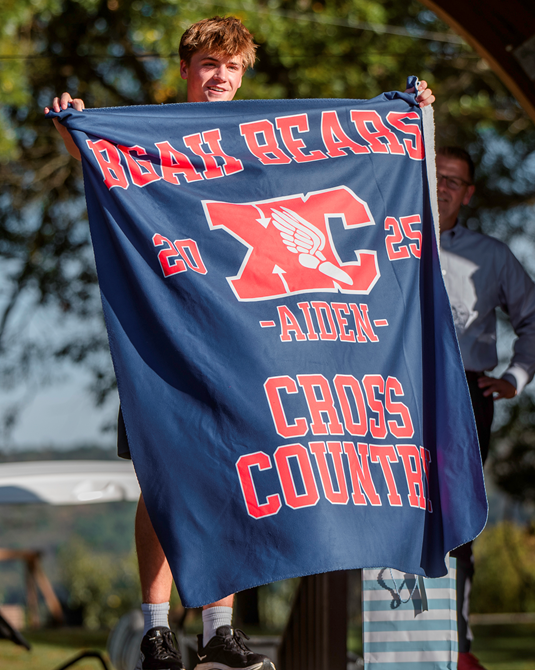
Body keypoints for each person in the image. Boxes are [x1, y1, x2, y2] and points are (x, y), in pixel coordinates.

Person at [45, 15, 434, 670]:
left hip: (246, 341)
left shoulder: (268, 134)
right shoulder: (149, 135)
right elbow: (96, 160)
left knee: (229, 474)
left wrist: (404, 116)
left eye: (230, 66)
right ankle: (156, 626)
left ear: (242, 72)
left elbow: (342, 154)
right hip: (166, 333)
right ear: (186, 71)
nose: (219, 75)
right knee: (164, 480)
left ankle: (219, 629)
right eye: (207, 65)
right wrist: (72, 126)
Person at [437, 146, 535, 670]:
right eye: (437, 176)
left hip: (467, 397)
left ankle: (457, 645)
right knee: (395, 513)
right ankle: (392, 638)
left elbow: (533, 318)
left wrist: (515, 378)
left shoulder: (492, 256)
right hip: (394, 398)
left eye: (455, 181)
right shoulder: (387, 241)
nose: (445, 187)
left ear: (468, 193)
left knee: (460, 519)